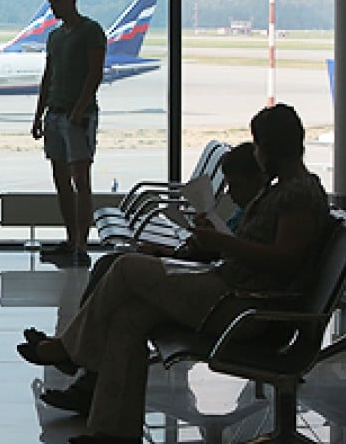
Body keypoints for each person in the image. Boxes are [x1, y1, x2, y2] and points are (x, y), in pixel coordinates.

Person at [17, 104, 330, 444]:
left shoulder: (298, 195)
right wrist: (215, 243)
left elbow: (284, 260)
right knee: (129, 317)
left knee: (125, 267)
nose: (256, 154)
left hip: (243, 308)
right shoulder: (285, 190)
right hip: (232, 294)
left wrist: (223, 243)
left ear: (271, 147)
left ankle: (68, 349)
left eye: (258, 146)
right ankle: (115, 430)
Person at [35, 141, 270, 411]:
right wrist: (171, 250)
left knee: (123, 270)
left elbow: (239, 257)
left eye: (236, 186)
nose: (231, 194)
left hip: (221, 293)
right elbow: (223, 252)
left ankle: (72, 353)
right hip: (208, 273)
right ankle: (86, 378)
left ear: (258, 178)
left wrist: (216, 243)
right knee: (109, 267)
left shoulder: (269, 210)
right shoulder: (247, 210)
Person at [31, 0, 107, 267]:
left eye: (59, 0)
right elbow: (48, 76)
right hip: (55, 114)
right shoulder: (54, 37)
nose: (54, 7)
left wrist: (79, 109)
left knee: (81, 181)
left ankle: (82, 245)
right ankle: (71, 239)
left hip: (78, 117)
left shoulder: (91, 31)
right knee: (61, 181)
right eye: (51, 1)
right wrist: (39, 114)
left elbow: (95, 73)